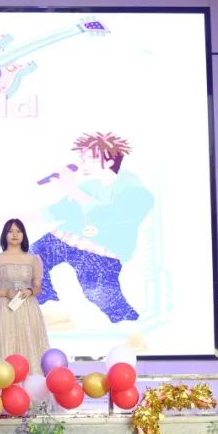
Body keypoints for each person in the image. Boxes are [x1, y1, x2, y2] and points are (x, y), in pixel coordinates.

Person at [30, 132, 153, 324]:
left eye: (90, 159)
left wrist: (70, 187)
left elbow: (106, 215)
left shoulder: (135, 190)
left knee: (99, 293)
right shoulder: (88, 187)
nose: (83, 164)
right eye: (82, 159)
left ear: (109, 162)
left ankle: (130, 325)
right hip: (67, 240)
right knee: (30, 256)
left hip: (100, 252)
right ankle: (49, 306)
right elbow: (52, 212)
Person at [0, 219, 51, 373]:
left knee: (29, 341)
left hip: (27, 307)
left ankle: (31, 381)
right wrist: (6, 292)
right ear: (4, 235)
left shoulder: (33, 259)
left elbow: (38, 286)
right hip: (4, 307)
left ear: (23, 235)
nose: (14, 234)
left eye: (18, 231)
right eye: (10, 231)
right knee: (5, 342)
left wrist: (31, 291)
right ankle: (2, 379)